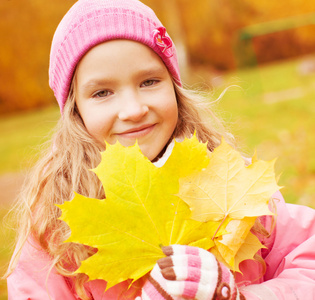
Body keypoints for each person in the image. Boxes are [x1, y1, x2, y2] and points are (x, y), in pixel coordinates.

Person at [5, 0, 315, 299]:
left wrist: (241, 297)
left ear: (175, 87)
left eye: (149, 82)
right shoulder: (57, 224)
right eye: (102, 92)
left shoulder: (230, 186)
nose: (133, 109)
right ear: (75, 110)